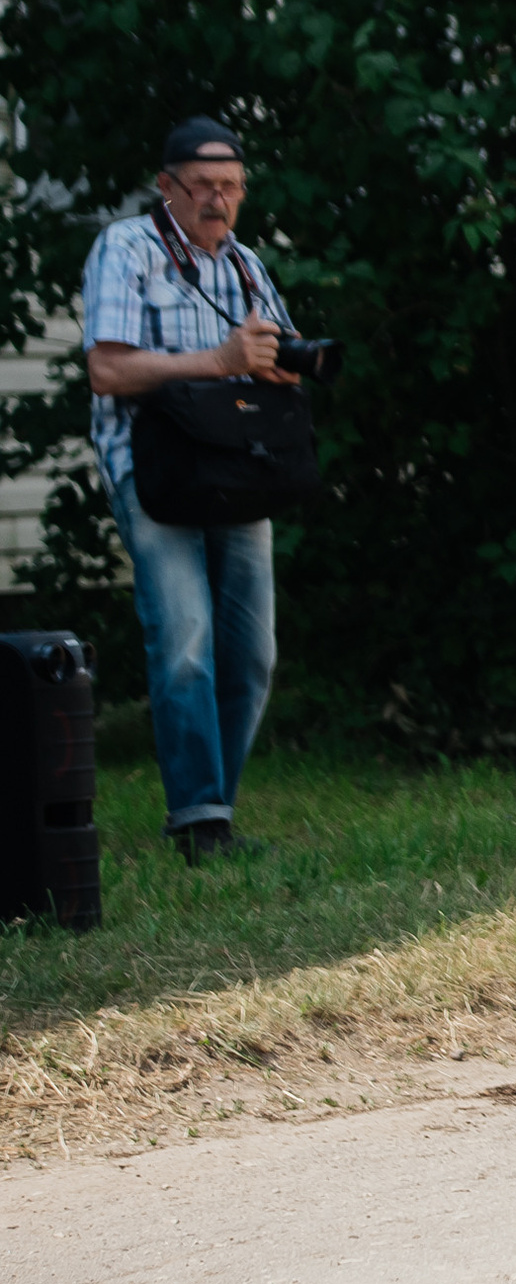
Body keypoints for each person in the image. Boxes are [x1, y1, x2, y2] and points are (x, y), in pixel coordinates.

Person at [82, 117, 302, 863]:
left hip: (236, 466)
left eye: (232, 186)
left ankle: (216, 807)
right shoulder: (126, 248)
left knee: (251, 653)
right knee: (184, 639)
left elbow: (274, 353)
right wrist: (218, 359)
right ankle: (200, 823)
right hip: (152, 467)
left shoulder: (244, 263)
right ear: (166, 185)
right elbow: (108, 371)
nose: (219, 200)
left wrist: (289, 362)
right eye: (203, 186)